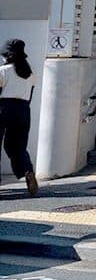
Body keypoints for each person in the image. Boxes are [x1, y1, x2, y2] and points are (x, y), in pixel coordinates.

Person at [0, 39, 38, 196]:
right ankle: (28, 170)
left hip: (3, 108)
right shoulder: (30, 73)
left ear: (7, 55)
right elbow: (30, 96)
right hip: (23, 110)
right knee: (17, 146)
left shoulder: (3, 71)